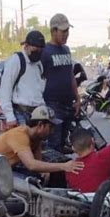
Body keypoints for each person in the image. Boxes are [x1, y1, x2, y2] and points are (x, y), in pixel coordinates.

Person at [0, 105, 84, 175]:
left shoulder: (36, 138)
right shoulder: (19, 135)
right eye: (50, 127)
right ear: (40, 125)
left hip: (5, 168)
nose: (52, 131)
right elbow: (31, 165)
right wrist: (63, 166)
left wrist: (45, 172)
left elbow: (38, 162)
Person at [41, 13, 81, 152]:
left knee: (63, 143)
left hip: (68, 105)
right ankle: (52, 172)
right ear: (53, 31)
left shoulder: (66, 50)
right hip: (52, 106)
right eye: (63, 31)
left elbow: (71, 76)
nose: (66, 34)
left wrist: (77, 98)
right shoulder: (44, 51)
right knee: (53, 144)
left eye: (67, 31)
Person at [0, 30, 46, 128]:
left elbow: (39, 90)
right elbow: (5, 89)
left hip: (36, 114)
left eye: (41, 50)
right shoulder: (16, 61)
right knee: (22, 142)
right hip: (20, 113)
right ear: (26, 46)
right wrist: (9, 116)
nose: (38, 52)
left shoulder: (38, 64)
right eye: (35, 49)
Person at [65, 128, 110, 192]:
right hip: (107, 200)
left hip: (82, 201)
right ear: (93, 141)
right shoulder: (104, 155)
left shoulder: (69, 169)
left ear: (73, 148)